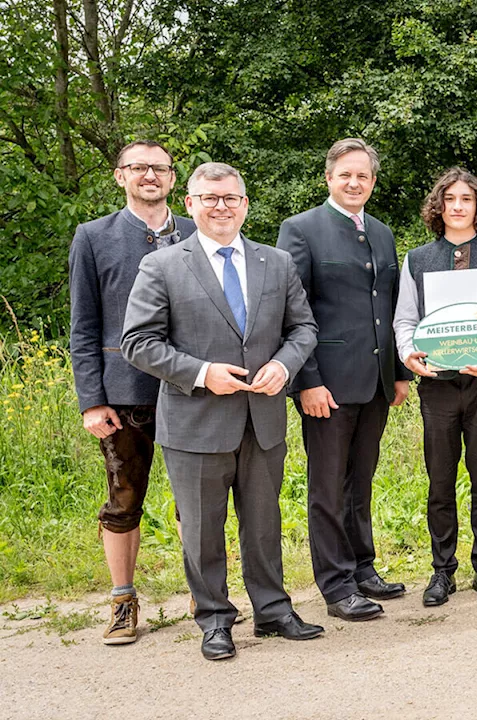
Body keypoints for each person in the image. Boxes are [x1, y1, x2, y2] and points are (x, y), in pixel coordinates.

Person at [121, 162, 322, 660]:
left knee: (263, 524)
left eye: (230, 198)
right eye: (209, 198)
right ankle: (214, 619)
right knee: (203, 530)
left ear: (245, 205)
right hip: (195, 421)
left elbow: (304, 329)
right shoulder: (163, 265)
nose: (220, 207)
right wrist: (200, 372)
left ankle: (274, 611)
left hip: (264, 420)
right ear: (189, 204)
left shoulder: (275, 262)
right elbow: (137, 342)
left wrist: (284, 363)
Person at [277, 139, 412, 623]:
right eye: (345, 175)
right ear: (329, 178)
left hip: (374, 382)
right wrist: (305, 381)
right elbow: (292, 312)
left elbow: (390, 307)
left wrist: (397, 374)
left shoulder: (380, 232)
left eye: (364, 176)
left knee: (361, 481)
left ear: (373, 182)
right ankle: (335, 586)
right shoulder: (301, 230)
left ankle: (362, 567)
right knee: (328, 487)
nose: (354, 183)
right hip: (326, 384)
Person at [68, 140, 196, 645]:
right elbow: (83, 325)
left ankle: (203, 594)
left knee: (198, 500)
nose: (150, 175)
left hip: (194, 387)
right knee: (123, 500)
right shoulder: (94, 237)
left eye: (160, 168)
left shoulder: (197, 230)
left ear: (172, 178)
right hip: (124, 394)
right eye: (139, 167)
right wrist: (91, 399)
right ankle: (123, 600)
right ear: (120, 176)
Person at [392, 167, 477, 606]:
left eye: (466, 199)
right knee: (440, 480)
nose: (457, 206)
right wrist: (409, 352)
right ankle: (441, 571)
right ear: (438, 205)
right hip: (438, 386)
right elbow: (405, 320)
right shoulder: (416, 260)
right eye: (449, 199)